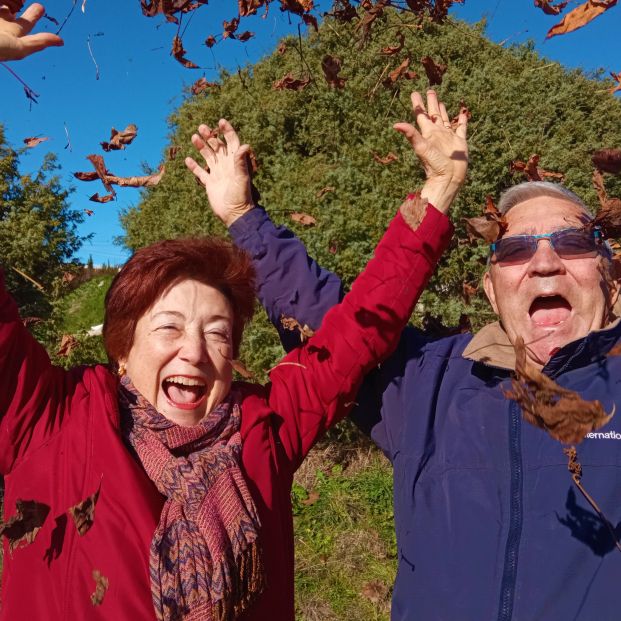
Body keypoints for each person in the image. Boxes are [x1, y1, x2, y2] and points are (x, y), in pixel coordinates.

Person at [0, 93, 466, 619]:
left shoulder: (263, 429)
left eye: (218, 334)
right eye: (168, 328)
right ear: (122, 349)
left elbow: (358, 331)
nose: (194, 352)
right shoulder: (50, 420)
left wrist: (440, 188)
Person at [220, 95, 621, 618]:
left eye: (571, 243)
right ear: (490, 290)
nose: (544, 262)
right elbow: (334, 322)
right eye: (516, 249)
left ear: (610, 277)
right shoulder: (429, 384)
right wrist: (242, 216)